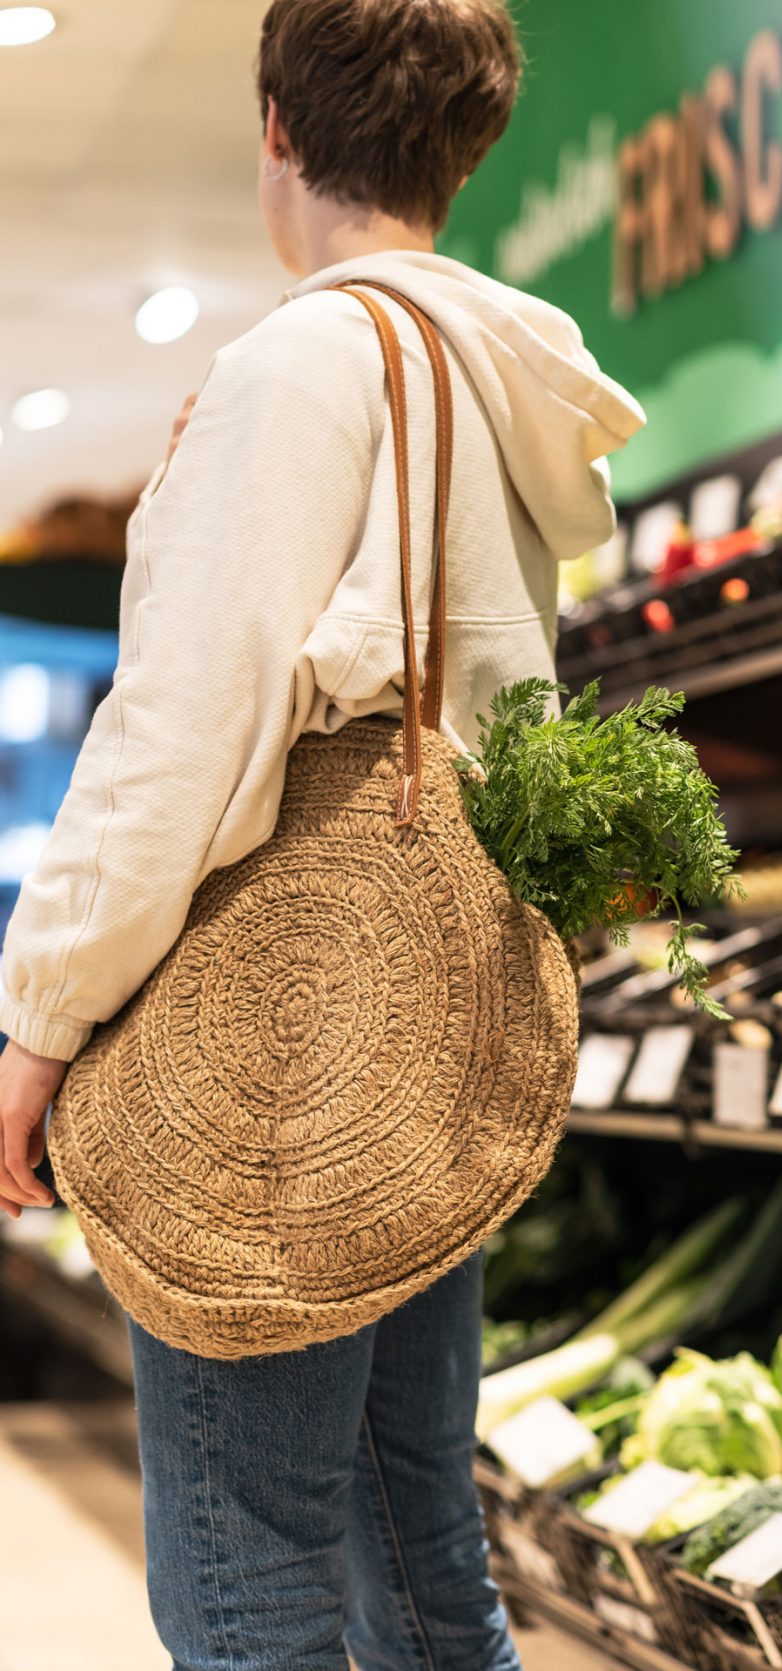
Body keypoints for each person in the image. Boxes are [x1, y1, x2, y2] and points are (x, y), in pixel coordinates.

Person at [0, 1, 645, 1666]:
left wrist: (40, 1019)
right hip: (425, 1015)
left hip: (273, 1053)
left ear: (277, 124)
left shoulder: (298, 365)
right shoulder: (497, 387)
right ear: (467, 145)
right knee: (415, 1539)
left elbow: (179, 746)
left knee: (242, 1564)